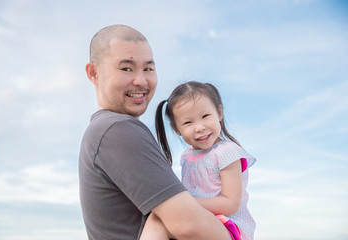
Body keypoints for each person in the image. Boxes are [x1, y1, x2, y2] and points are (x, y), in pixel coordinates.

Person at [79, 25, 231, 240]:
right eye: (126, 69)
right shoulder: (118, 130)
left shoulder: (103, 131)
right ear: (94, 73)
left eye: (148, 69)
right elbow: (189, 225)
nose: (141, 80)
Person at [142, 81, 256, 240]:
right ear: (177, 129)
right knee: (157, 216)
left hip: (227, 225)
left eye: (205, 116)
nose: (199, 127)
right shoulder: (186, 156)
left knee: (161, 215)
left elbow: (231, 204)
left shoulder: (227, 152)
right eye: (188, 122)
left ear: (219, 113)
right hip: (198, 218)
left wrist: (187, 203)